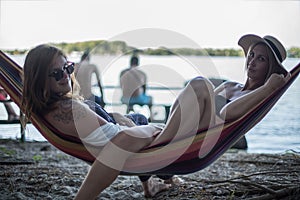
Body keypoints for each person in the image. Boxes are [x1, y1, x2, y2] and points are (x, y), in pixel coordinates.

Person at [21, 34, 289, 199]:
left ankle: (158, 177)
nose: (252, 60)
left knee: (192, 89)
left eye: (67, 68)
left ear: (270, 68)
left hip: (192, 135)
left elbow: (224, 115)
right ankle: (162, 170)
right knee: (198, 86)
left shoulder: (58, 105)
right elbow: (120, 142)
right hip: (166, 141)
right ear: (40, 82)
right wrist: (151, 130)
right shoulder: (231, 86)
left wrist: (267, 90)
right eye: (251, 55)